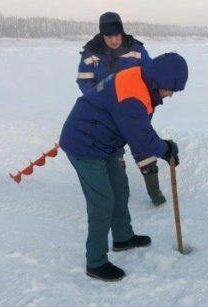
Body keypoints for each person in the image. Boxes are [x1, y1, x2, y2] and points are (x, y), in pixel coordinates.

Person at [60, 53, 188, 281]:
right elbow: (140, 139)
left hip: (103, 141)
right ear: (160, 80)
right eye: (170, 89)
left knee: (120, 188)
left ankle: (122, 237)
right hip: (83, 143)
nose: (170, 95)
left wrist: (162, 148)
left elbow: (139, 130)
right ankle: (96, 262)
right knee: (102, 202)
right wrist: (165, 149)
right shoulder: (133, 94)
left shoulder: (143, 81)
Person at [77, 11, 167, 206]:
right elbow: (84, 82)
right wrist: (100, 103)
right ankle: (120, 194)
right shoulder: (90, 53)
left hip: (134, 110)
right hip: (107, 115)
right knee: (114, 154)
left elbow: (150, 76)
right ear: (102, 34)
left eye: (117, 35)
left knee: (143, 147)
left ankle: (155, 192)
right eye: (109, 36)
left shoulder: (136, 48)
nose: (114, 40)